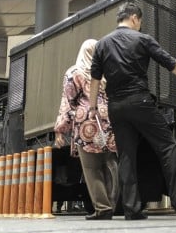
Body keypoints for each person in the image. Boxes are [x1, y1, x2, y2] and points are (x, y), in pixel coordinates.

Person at [88, 2, 176, 220]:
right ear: (134, 18)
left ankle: (132, 208)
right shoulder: (142, 39)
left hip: (116, 106)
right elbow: (172, 65)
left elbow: (94, 79)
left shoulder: (102, 44)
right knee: (168, 146)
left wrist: (93, 107)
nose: (140, 25)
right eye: (140, 21)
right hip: (140, 101)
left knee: (126, 156)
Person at [54, 39, 119, 220]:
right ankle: (112, 204)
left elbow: (67, 102)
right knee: (110, 164)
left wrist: (60, 129)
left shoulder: (74, 73)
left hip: (87, 122)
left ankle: (103, 208)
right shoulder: (107, 72)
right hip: (109, 121)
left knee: (91, 168)